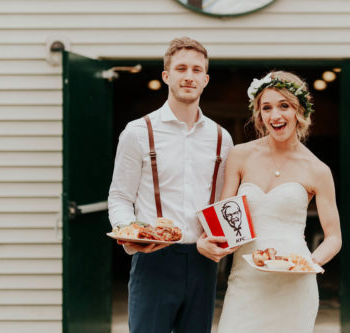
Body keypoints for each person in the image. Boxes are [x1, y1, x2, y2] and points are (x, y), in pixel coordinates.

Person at [197, 71, 342, 333]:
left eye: (284, 105)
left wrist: (307, 263)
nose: (275, 115)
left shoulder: (318, 170)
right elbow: (222, 221)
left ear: (300, 110)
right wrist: (207, 241)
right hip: (246, 280)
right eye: (267, 107)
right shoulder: (240, 155)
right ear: (259, 114)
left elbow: (334, 238)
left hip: (294, 284)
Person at [108, 36, 234, 333]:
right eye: (181, 69)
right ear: (167, 76)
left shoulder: (221, 138)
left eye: (196, 70)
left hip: (203, 262)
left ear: (205, 79)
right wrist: (132, 233)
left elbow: (222, 203)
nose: (188, 76)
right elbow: (119, 197)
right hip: (154, 260)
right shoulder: (138, 132)